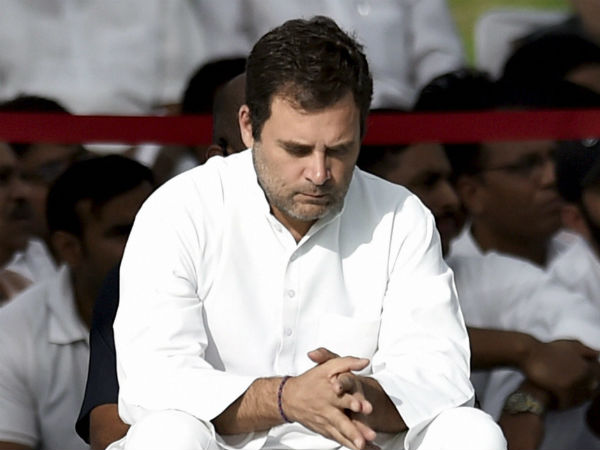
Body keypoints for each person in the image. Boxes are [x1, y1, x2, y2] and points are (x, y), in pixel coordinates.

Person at [113, 16, 505, 450]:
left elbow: (443, 377)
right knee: (166, 435)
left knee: (472, 432)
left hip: (358, 440)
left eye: (338, 150)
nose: (319, 174)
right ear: (248, 127)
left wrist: (358, 394)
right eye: (297, 150)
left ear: (363, 132)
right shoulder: (179, 209)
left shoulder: (401, 216)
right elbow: (152, 382)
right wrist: (287, 398)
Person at [75, 67, 248, 450]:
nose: (309, 173)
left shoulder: (374, 242)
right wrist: (277, 403)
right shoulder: (147, 263)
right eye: (279, 151)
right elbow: (109, 431)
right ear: (218, 157)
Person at [0, 155, 154, 450]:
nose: (146, 244)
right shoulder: (11, 335)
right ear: (69, 247)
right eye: (122, 232)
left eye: (152, 226)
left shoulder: (210, 306)